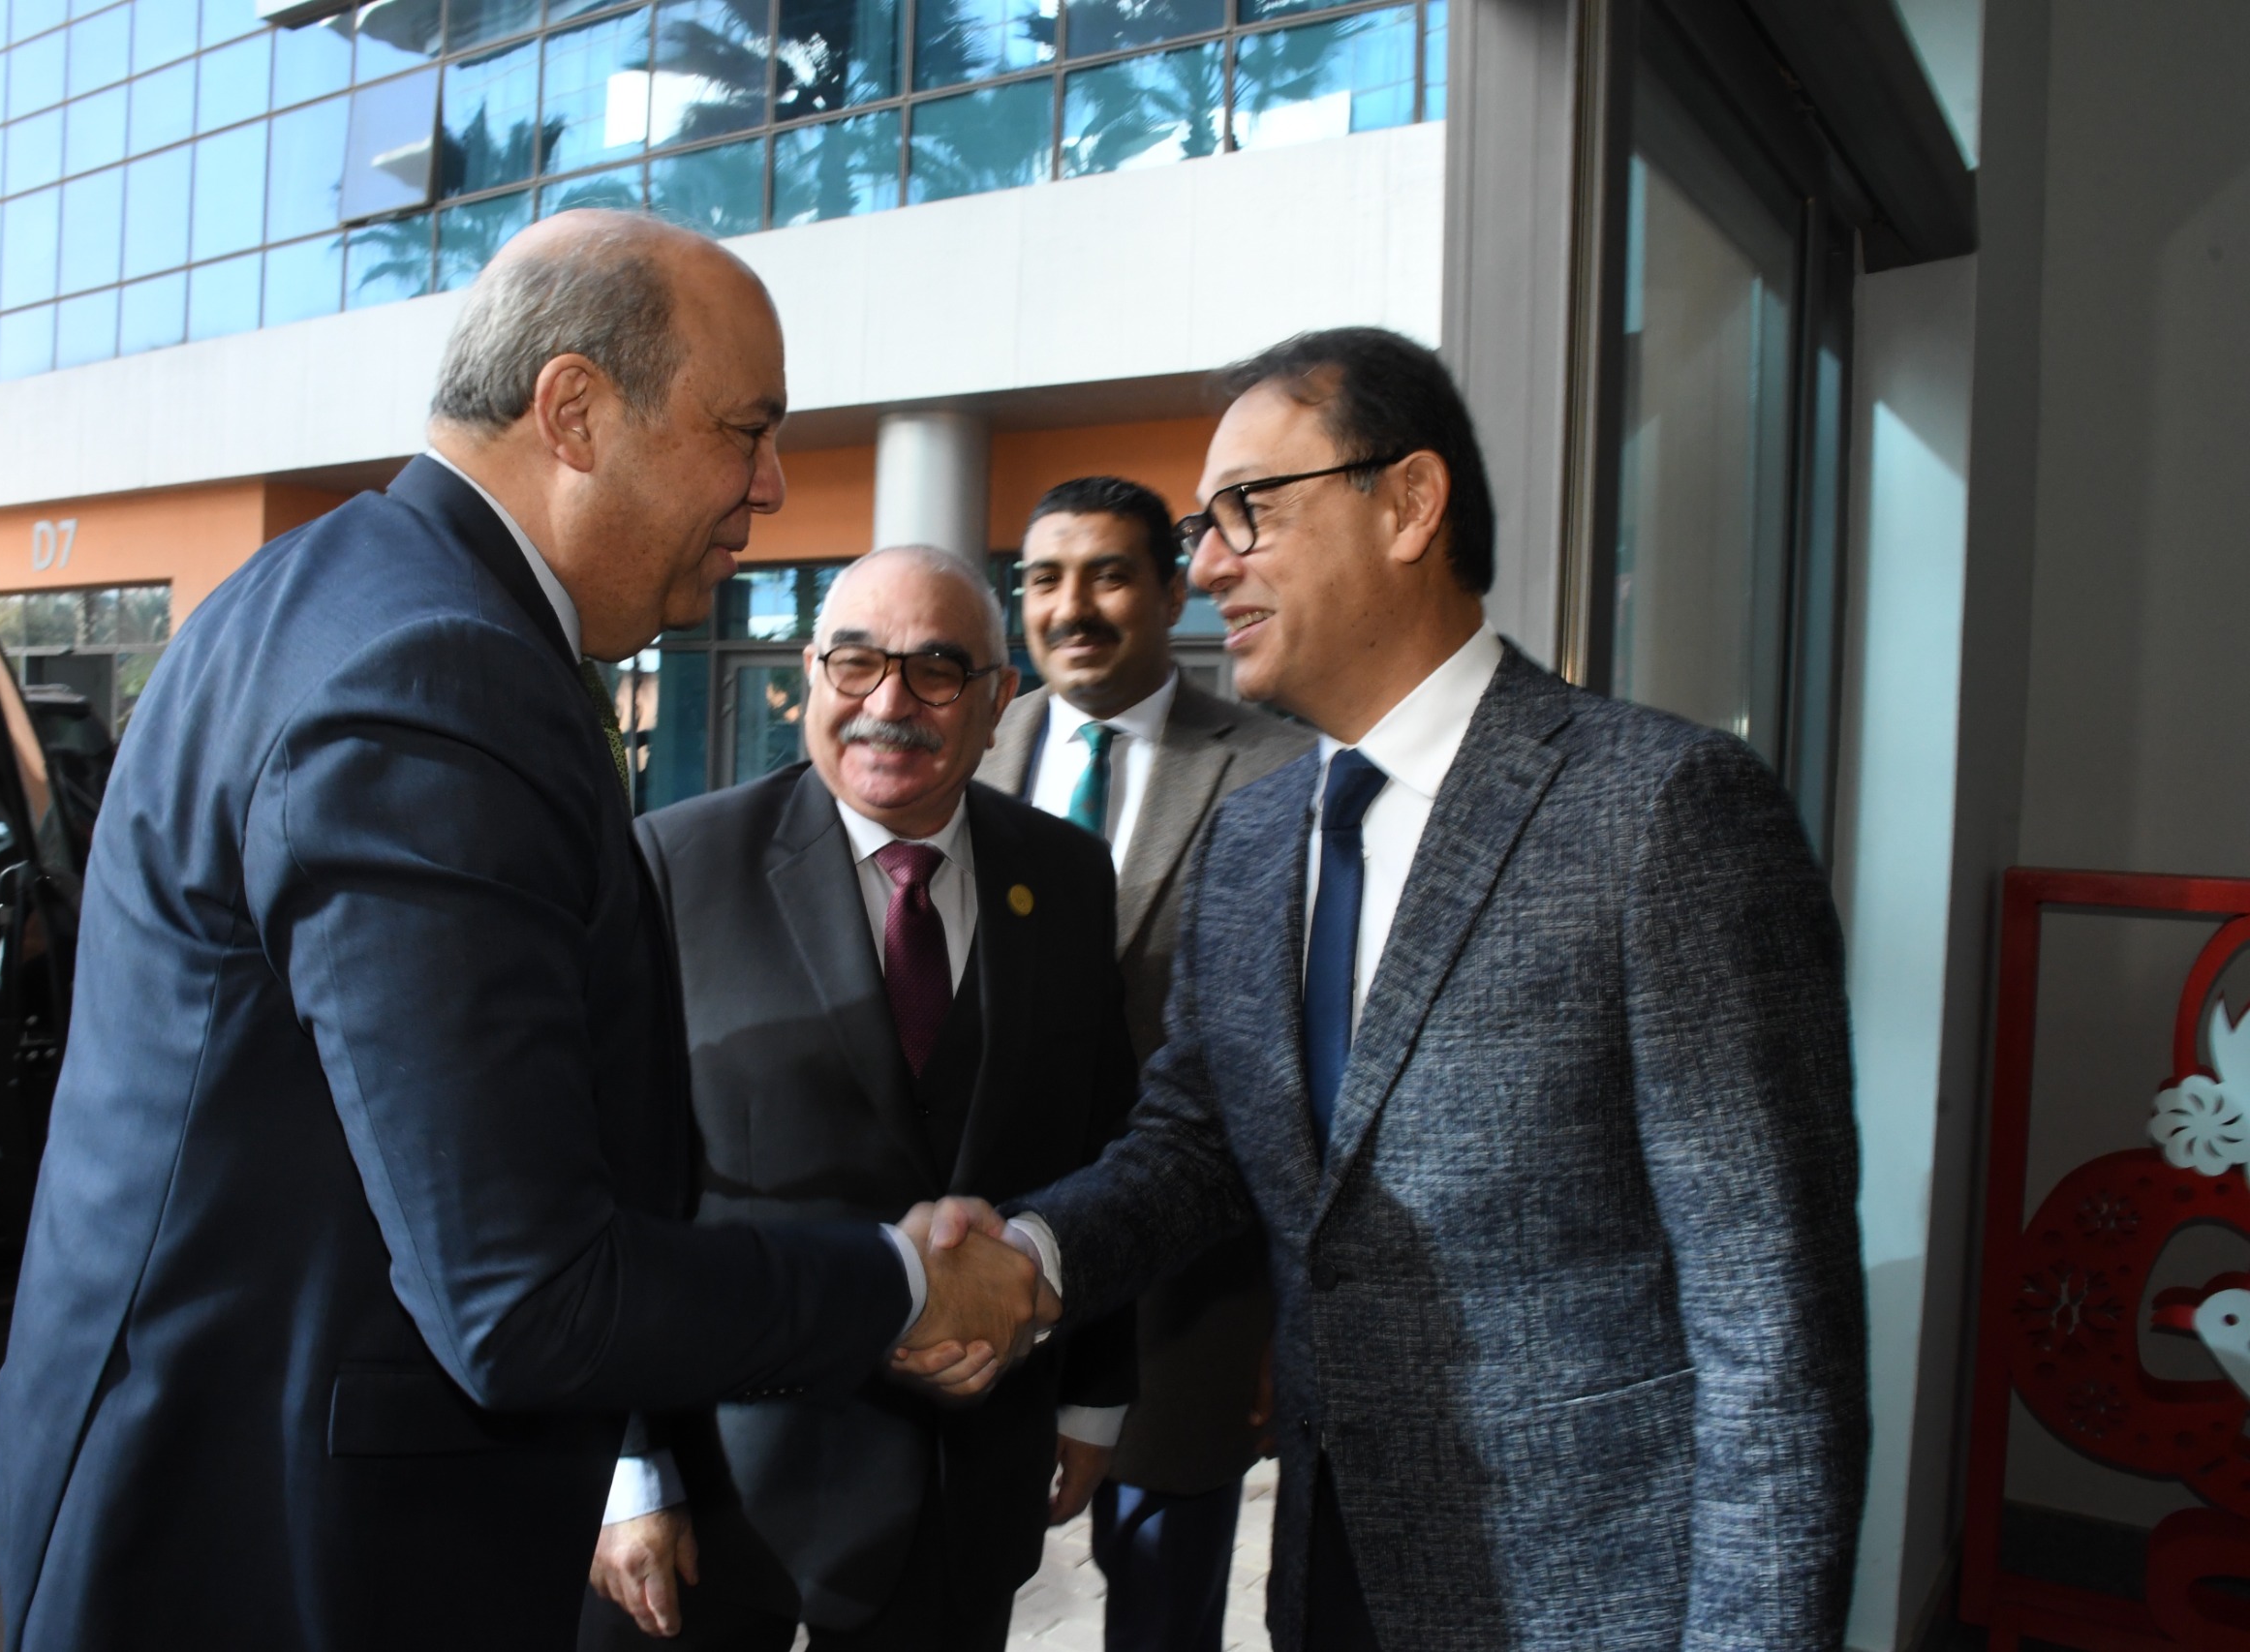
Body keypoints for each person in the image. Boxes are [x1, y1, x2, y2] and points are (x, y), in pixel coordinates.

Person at [0, 213, 1042, 1652]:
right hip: (270, 1550)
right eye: (746, 430)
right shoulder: (436, 675)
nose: (772, 485)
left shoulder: (333, 588)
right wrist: (902, 1283)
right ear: (576, 412)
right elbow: (523, 1294)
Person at [920, 326, 1868, 1651]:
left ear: (1410, 501)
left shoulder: (1662, 812)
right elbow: (1196, 1140)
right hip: (1330, 1576)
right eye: (1202, 526)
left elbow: (1775, 1329)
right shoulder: (1258, 838)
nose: (1209, 566)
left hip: (1591, 1601)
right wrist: (1031, 1256)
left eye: (1249, 508)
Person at [582, 544, 1139, 1652]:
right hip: (717, 1489)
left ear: (998, 699)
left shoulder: (1067, 876)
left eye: (936, 669)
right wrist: (626, 1466)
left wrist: (1092, 1391)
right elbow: (607, 1180)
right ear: (810, 674)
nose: (890, 703)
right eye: (855, 662)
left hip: (962, 1485)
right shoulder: (673, 864)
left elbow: (1102, 1139)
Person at [975, 477, 1311, 1652]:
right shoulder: (968, 744)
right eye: (1044, 579)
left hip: (1188, 1292)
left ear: (1174, 593)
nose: (1071, 606)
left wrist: (1282, 1310)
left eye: (1109, 575)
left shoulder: (1281, 769)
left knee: (1163, 1608)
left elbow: (1293, 1068)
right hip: (990, 1262)